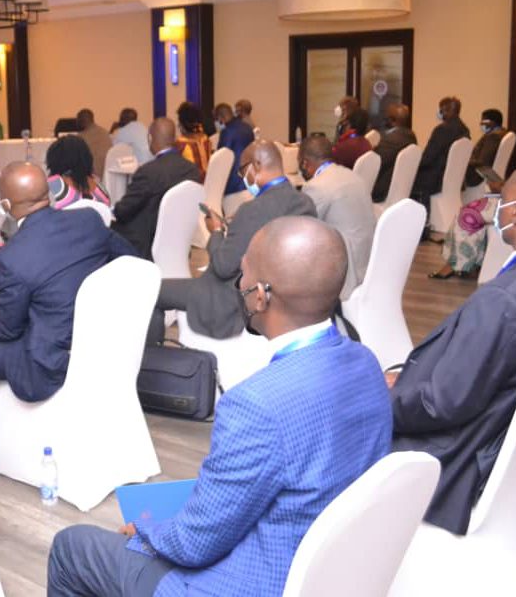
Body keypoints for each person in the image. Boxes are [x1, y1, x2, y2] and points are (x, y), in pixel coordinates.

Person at [48, 217, 391, 597]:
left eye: (243, 274)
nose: (239, 284)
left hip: (248, 583)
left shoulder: (256, 404)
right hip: (331, 570)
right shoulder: (366, 363)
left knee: (71, 547)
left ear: (260, 296)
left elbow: (193, 545)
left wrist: (147, 531)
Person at [391, 157, 516, 535]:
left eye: (501, 202)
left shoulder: (506, 300)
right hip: (495, 438)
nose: (496, 212)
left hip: (451, 461)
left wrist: (380, 396)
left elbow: (441, 404)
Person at [0, 162, 136, 402]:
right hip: (103, 343)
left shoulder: (10, 258)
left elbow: (8, 330)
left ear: (5, 205)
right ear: (49, 193)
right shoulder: (89, 220)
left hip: (46, 365)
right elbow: (131, 260)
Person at [147, 141, 316, 343]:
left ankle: (155, 357)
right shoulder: (305, 203)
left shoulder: (252, 210)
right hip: (282, 301)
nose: (243, 178)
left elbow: (223, 267)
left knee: (152, 290)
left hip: (233, 300)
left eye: (243, 171)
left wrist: (216, 232)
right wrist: (237, 228)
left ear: (256, 166)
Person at [0, 137, 112, 322]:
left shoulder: (53, 185)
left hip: (47, 252)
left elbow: (19, 228)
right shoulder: (99, 186)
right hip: (88, 256)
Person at [430, 119, 516, 279]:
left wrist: (501, 188)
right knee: (477, 211)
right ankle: (470, 262)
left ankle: (456, 264)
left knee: (468, 213)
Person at [299, 135, 376, 299]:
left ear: (305, 163)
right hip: (368, 263)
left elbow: (303, 228)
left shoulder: (316, 186)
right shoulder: (354, 176)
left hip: (346, 273)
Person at [113, 118, 201, 259]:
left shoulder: (148, 172)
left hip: (147, 244)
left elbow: (123, 211)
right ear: (174, 139)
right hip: (179, 241)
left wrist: (112, 210)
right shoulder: (192, 170)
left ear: (150, 138)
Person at [411, 96, 471, 223]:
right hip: (454, 180)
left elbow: (427, 158)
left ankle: (419, 222)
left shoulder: (442, 130)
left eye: (441, 110)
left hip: (435, 179)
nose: (440, 113)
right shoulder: (465, 130)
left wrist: (413, 165)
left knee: (409, 179)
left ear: (446, 110)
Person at [371, 103, 418, 202]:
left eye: (386, 117)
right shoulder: (411, 136)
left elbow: (374, 162)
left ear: (391, 120)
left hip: (382, 191)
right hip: (400, 189)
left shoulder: (390, 140)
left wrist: (372, 150)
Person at [216, 101, 255, 198]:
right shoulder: (248, 128)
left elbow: (222, 157)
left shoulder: (227, 132)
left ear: (221, 117)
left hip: (232, 182)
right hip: (249, 178)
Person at [464, 109, 506, 188]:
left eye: (483, 121)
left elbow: (483, 160)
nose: (481, 124)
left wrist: (465, 161)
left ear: (492, 122)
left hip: (479, 175)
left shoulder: (493, 137)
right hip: (491, 173)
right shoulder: (503, 133)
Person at [175, 102, 212, 179]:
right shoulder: (206, 139)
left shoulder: (181, 143)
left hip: (192, 182)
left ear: (182, 124)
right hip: (208, 180)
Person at [76, 108, 113, 179]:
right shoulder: (104, 132)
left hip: (92, 178)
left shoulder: (81, 137)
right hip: (107, 176)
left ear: (81, 121)